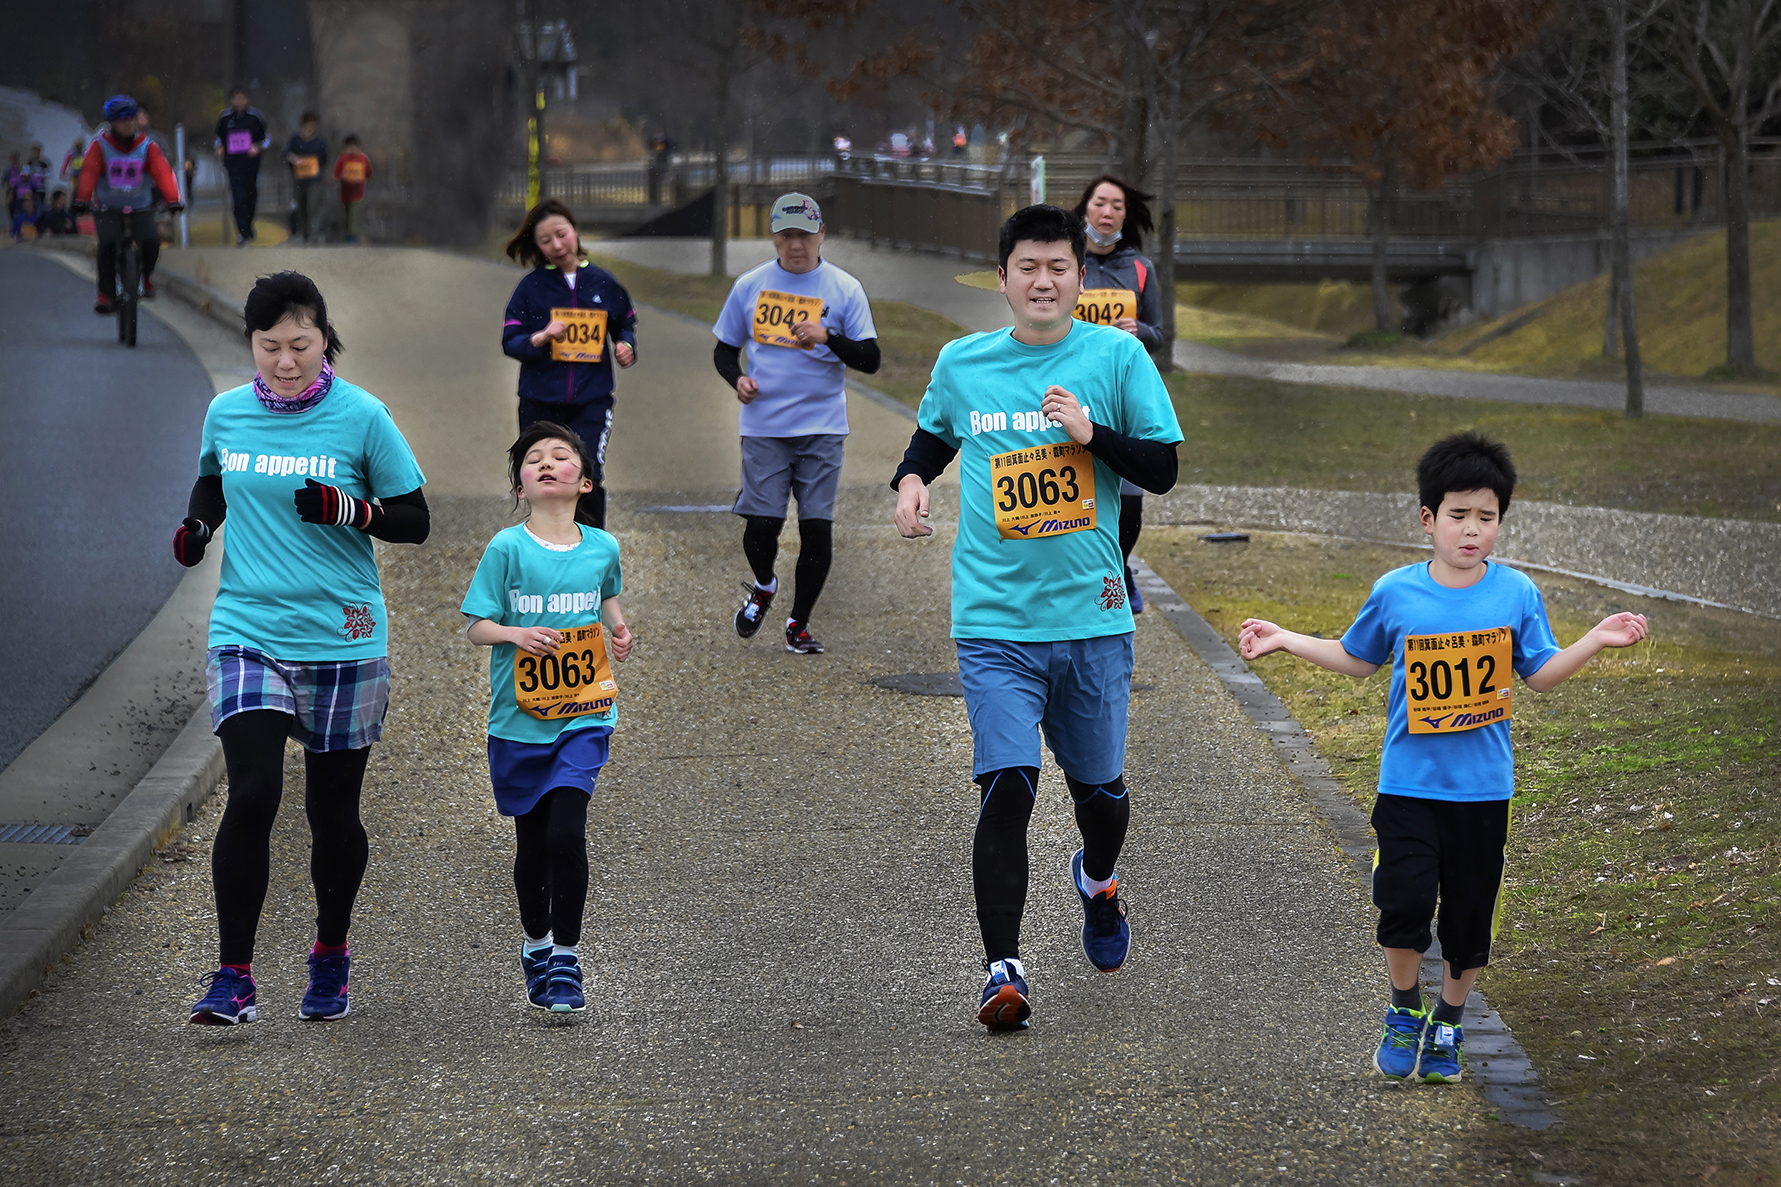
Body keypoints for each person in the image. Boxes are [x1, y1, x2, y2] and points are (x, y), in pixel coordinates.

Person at [1237, 433, 1650, 1083]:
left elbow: (1539, 673)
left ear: (1499, 523)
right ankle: (1404, 1009)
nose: (1471, 530)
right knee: (1401, 907)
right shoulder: (1396, 593)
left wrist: (1595, 638)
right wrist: (1286, 640)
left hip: (1482, 791)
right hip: (1407, 785)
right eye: (1458, 515)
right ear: (1427, 519)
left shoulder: (1514, 594)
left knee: (1466, 921)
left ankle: (1448, 1022)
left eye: (1486, 518)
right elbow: (1357, 658)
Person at [892, 205, 1183, 1031]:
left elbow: (1160, 469)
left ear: (1079, 278)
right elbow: (930, 438)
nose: (1044, 280)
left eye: (1058, 266)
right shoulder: (964, 362)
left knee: (1102, 798)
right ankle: (1001, 969)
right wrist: (909, 482)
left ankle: (1097, 880)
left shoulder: (1116, 357)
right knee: (1008, 785)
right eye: (1027, 267)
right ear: (1003, 279)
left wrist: (1091, 434)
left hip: (1091, 618)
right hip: (993, 620)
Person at [174, 271, 430, 1025]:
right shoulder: (226, 412)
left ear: (325, 339)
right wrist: (197, 530)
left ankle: (329, 952)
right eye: (269, 346)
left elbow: (415, 519)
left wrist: (351, 508)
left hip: (342, 633)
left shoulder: (363, 417)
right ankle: (233, 976)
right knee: (252, 791)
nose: (285, 360)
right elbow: (212, 483)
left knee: (333, 814)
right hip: (247, 628)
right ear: (251, 343)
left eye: (300, 344)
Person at [461, 423, 634, 1013]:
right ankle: (534, 943)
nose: (546, 463)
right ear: (521, 486)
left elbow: (605, 592)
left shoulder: (602, 547)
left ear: (584, 482)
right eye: (533, 459)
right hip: (517, 721)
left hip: (585, 711)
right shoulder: (506, 549)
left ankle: (566, 958)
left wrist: (618, 625)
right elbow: (477, 625)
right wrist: (516, 635)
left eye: (561, 457)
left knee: (566, 831)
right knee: (531, 845)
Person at [711, 192, 879, 655]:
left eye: (804, 235)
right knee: (761, 526)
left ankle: (797, 624)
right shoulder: (750, 285)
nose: (796, 245)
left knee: (815, 527)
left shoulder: (844, 289)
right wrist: (738, 379)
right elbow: (724, 349)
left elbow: (871, 359)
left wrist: (830, 336)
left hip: (822, 426)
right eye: (786, 235)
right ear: (773, 237)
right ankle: (764, 586)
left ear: (821, 234)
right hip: (765, 426)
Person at [501, 199, 639, 529]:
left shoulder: (603, 283)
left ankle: (592, 550)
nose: (557, 245)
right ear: (537, 246)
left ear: (575, 232)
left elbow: (624, 323)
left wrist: (625, 345)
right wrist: (540, 337)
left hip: (591, 399)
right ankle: (547, 545)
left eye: (562, 234)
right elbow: (511, 341)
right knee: (542, 478)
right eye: (546, 240)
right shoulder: (531, 289)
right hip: (540, 401)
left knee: (587, 472)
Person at [1070, 175, 1165, 616]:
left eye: (1117, 206)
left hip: (1124, 392)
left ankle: (1119, 567)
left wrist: (1139, 330)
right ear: (1085, 208)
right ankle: (1083, 577)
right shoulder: (1067, 261)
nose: (1107, 213)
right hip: (1074, 389)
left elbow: (1160, 334)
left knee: (1129, 497)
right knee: (1079, 486)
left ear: (1126, 216)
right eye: (1100, 203)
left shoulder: (1141, 268)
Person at [73, 95, 183, 314]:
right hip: (108, 208)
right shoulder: (100, 146)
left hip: (141, 207)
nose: (128, 122)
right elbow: (89, 173)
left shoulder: (147, 146)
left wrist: (173, 200)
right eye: (122, 119)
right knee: (107, 245)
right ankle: (105, 293)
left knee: (151, 240)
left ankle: (146, 275)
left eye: (131, 118)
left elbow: (162, 172)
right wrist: (82, 199)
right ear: (112, 122)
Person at [213, 85, 269, 245]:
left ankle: (248, 226)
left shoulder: (255, 117)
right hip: (233, 164)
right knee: (238, 196)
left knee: (251, 196)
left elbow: (266, 138)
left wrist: (257, 147)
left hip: (251, 164)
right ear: (231, 100)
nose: (239, 101)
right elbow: (218, 138)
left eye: (242, 97)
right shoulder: (225, 118)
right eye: (236, 97)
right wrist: (219, 148)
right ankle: (242, 232)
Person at [284, 111, 328, 244]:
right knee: (301, 206)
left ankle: (314, 234)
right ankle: (305, 234)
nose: (310, 127)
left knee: (313, 206)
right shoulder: (295, 140)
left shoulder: (319, 142)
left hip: (315, 179)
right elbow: (286, 153)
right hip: (299, 179)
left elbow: (325, 159)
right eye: (308, 124)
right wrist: (293, 158)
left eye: (313, 124)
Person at [333, 134, 371, 243]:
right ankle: (348, 234)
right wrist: (343, 176)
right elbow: (337, 173)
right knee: (346, 215)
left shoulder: (363, 159)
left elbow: (369, 173)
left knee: (354, 214)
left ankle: (353, 235)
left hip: (358, 193)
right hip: (345, 192)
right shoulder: (343, 159)